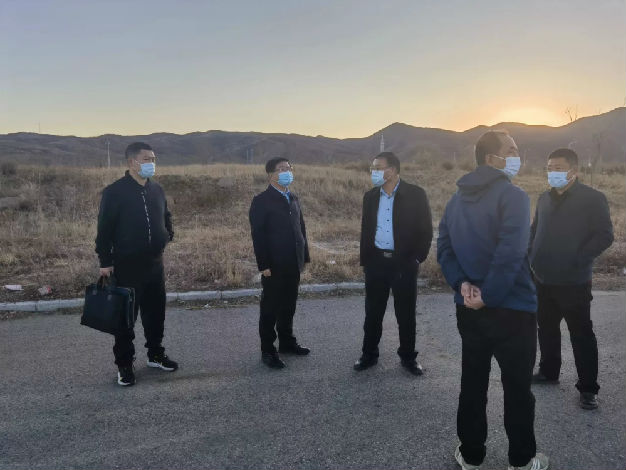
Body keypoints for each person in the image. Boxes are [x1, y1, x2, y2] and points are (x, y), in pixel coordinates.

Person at [437, 131, 549, 470]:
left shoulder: (455, 200)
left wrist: (463, 285)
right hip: (512, 309)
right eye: (511, 150)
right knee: (517, 387)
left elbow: (444, 249)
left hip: (469, 308)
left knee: (473, 383)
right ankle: (522, 460)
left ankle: (471, 456)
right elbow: (511, 252)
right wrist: (489, 296)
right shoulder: (513, 196)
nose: (517, 156)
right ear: (491, 158)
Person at [529, 148, 613, 410]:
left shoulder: (593, 198)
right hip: (543, 278)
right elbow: (535, 230)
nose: (552, 172)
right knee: (546, 328)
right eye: (549, 168)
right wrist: (530, 257)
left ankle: (588, 388)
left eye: (558, 168)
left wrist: (579, 258)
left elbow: (605, 235)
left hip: (574, 281)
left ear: (573, 170)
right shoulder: (544, 198)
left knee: (581, 333)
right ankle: (549, 371)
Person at [95, 142, 177, 386]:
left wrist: (168, 234)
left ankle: (155, 354)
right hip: (127, 266)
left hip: (155, 264)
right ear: (132, 162)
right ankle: (124, 364)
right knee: (125, 319)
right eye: (147, 159)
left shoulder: (157, 189)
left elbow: (166, 216)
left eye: (153, 159)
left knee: (156, 313)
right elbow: (104, 230)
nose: (152, 163)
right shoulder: (114, 192)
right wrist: (105, 261)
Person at [354, 152, 433, 375]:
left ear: (393, 170)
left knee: (405, 314)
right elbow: (366, 229)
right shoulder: (370, 196)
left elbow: (426, 229)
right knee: (373, 313)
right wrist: (367, 260)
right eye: (372, 168)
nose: (374, 172)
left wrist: (416, 258)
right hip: (376, 262)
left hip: (404, 263)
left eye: (378, 167)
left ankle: (408, 357)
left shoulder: (416, 194)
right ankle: (369, 355)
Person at [249, 157, 310, 369]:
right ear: (271, 175)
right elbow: (258, 235)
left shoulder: (293, 197)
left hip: (294, 261)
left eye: (288, 168)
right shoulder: (261, 200)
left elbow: (301, 229)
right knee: (270, 308)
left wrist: (305, 256)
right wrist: (263, 265)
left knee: (289, 305)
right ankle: (268, 350)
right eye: (281, 169)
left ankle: (287, 342)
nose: (286, 172)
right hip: (274, 265)